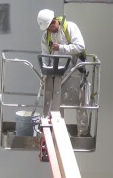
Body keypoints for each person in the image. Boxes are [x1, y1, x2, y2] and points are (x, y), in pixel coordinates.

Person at [36, 9, 91, 137]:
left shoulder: (70, 27)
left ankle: (82, 132)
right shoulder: (46, 37)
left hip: (74, 70)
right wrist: (44, 74)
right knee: (57, 103)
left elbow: (80, 46)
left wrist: (62, 48)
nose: (49, 31)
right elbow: (45, 57)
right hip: (58, 73)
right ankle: (59, 131)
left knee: (79, 102)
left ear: (54, 21)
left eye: (50, 27)